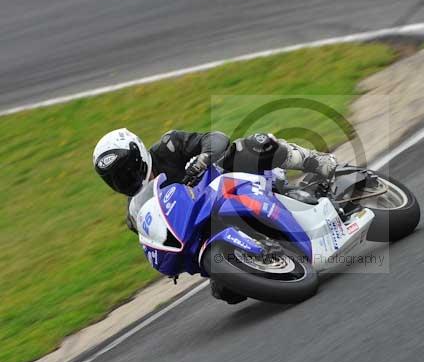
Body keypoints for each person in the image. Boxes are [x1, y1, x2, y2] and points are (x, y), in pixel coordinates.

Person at [92, 128, 337, 303]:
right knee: (227, 293)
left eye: (126, 171)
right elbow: (158, 240)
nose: (123, 180)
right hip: (207, 230)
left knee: (251, 144)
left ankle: (317, 161)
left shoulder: (170, 146)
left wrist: (203, 158)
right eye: (114, 179)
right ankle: (267, 254)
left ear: (139, 156)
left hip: (231, 184)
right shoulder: (136, 212)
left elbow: (216, 138)